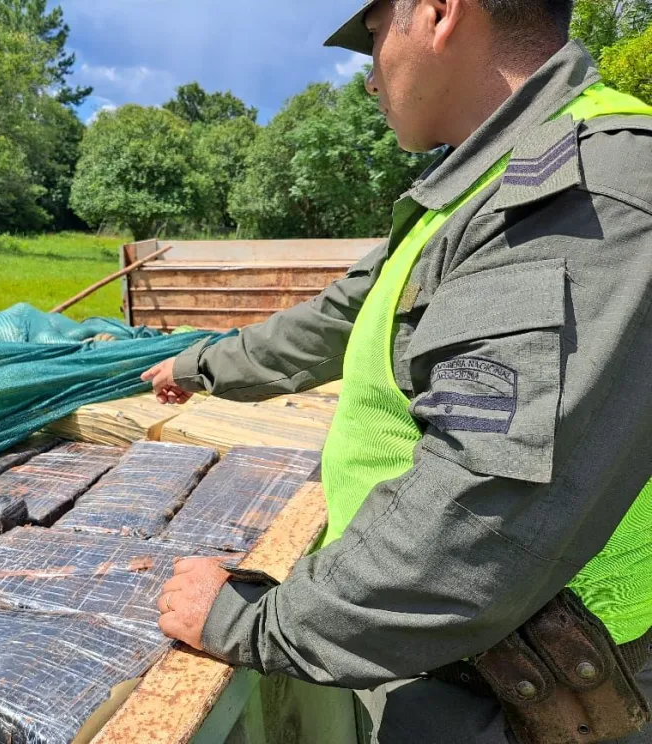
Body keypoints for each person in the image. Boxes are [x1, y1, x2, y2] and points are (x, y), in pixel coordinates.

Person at [143, 0, 652, 741]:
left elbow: (476, 522)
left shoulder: (585, 188)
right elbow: (343, 316)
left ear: (440, 12)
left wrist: (250, 619)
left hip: (530, 695)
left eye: (374, 37)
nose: (370, 78)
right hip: (447, 655)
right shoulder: (483, 181)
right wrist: (200, 366)